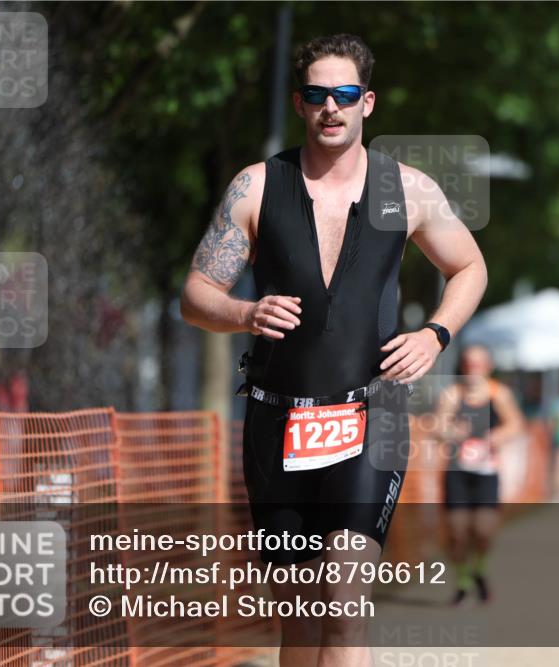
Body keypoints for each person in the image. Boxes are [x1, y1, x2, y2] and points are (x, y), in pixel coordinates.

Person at [180, 34, 487, 667]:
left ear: (367, 103)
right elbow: (195, 294)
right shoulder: (258, 186)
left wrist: (435, 335)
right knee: (300, 619)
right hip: (277, 423)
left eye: (345, 95)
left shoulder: (408, 189)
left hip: (371, 415)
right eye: (318, 95)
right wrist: (244, 312)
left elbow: (470, 268)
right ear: (300, 103)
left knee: (343, 608)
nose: (331, 108)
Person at [434, 344, 524, 604]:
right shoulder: (452, 394)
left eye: (478, 365)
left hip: (487, 471)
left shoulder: (499, 394)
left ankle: (480, 570)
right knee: (457, 531)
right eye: (468, 364)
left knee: (484, 530)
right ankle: (462, 582)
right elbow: (437, 426)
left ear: (488, 367)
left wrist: (495, 437)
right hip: (457, 472)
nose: (472, 370)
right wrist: (451, 432)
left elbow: (516, 424)